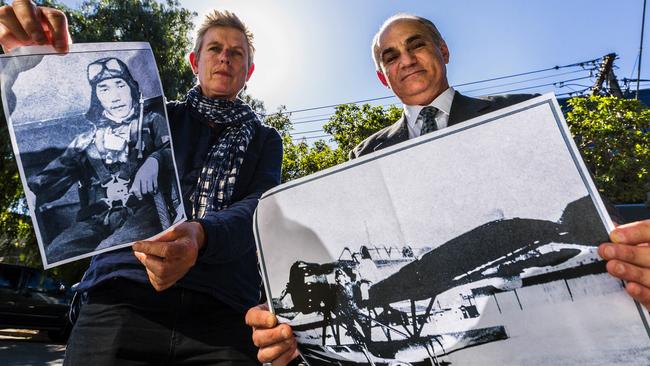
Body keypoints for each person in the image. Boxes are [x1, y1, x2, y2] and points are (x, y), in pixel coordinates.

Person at [244, 13, 650, 365]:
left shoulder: (519, 113)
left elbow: (593, 217)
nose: (405, 60)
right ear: (382, 77)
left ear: (443, 51)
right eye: (391, 56)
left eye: (416, 45)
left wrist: (632, 258)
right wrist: (292, 336)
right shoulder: (363, 156)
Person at [0, 1, 282, 364]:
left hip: (223, 313)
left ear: (249, 71)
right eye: (215, 48)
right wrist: (17, 70)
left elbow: (259, 208)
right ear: (195, 62)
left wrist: (200, 235)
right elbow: (41, 170)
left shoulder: (264, 139)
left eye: (236, 53)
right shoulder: (153, 118)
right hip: (121, 296)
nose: (225, 58)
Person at [28, 56, 174, 264]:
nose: (115, 96)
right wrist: (33, 191)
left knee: (109, 253)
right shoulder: (86, 141)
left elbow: (173, 151)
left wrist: (155, 159)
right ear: (97, 97)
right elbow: (57, 171)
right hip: (95, 218)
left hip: (142, 213)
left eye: (119, 85)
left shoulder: (152, 123)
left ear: (131, 88)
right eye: (104, 89)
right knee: (57, 251)